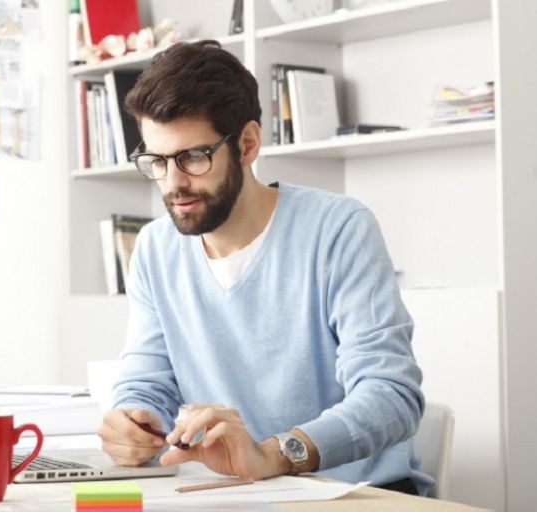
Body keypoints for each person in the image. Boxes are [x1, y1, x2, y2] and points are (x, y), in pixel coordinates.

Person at [96, 40, 433, 496]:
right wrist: (133, 422)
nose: (173, 183)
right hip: (235, 494)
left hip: (355, 494)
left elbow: (391, 396)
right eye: (157, 161)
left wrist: (273, 455)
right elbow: (146, 380)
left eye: (193, 158)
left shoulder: (339, 229)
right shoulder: (155, 248)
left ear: (247, 144)